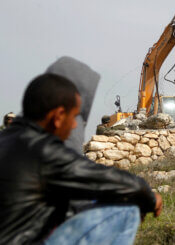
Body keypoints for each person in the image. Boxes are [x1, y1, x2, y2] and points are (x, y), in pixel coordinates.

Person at [0, 73, 162, 245]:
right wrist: (148, 196)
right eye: (74, 116)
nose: (75, 125)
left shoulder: (8, 140)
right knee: (128, 210)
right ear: (58, 116)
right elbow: (104, 179)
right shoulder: (43, 150)